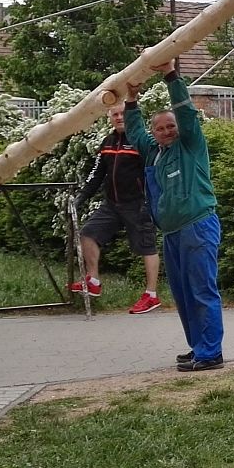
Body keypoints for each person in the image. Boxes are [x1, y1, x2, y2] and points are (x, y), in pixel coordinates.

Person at [125, 62, 224, 372]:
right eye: (160, 128)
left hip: (198, 225)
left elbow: (185, 111)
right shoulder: (155, 152)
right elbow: (135, 132)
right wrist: (130, 99)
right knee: (183, 294)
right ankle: (198, 347)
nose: (167, 131)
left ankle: (211, 353)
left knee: (201, 290)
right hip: (172, 233)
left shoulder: (191, 144)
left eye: (171, 126)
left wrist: (170, 75)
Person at [70, 106, 161, 314]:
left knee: (147, 248)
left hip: (138, 203)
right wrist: (82, 196)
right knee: (88, 234)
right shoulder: (107, 142)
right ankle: (93, 280)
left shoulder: (141, 141)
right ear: (110, 118)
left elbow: (155, 171)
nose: (120, 118)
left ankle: (151, 295)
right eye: (115, 115)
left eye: (123, 114)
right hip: (111, 204)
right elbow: (97, 173)